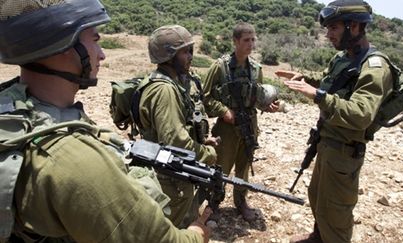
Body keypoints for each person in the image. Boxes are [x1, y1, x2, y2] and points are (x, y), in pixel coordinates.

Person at [0, 1, 211, 242]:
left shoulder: (12, 111)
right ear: (63, 45)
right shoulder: (77, 162)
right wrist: (197, 233)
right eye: (96, 40)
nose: (102, 54)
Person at [276, 1, 394, 242]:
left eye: (334, 28)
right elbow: (332, 83)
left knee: (336, 212)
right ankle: (318, 236)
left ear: (354, 27)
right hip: (326, 143)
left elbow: (361, 114)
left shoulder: (374, 66)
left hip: (344, 151)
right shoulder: (343, 58)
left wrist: (318, 96)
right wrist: (306, 80)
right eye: (328, 28)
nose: (328, 35)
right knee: (317, 197)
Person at [135, 24, 218, 228]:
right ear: (169, 56)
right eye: (185, 52)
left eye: (191, 50)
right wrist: (208, 153)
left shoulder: (170, 82)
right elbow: (176, 141)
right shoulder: (164, 90)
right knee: (174, 229)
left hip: (169, 171)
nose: (190, 56)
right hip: (168, 179)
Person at [202, 22, 279, 222]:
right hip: (227, 128)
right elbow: (206, 97)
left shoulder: (256, 68)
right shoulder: (219, 67)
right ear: (235, 41)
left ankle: (241, 202)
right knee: (221, 167)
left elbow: (258, 96)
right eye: (246, 40)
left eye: (253, 39)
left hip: (249, 125)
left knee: (244, 167)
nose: (251, 44)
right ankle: (214, 203)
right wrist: (224, 111)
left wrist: (267, 106)